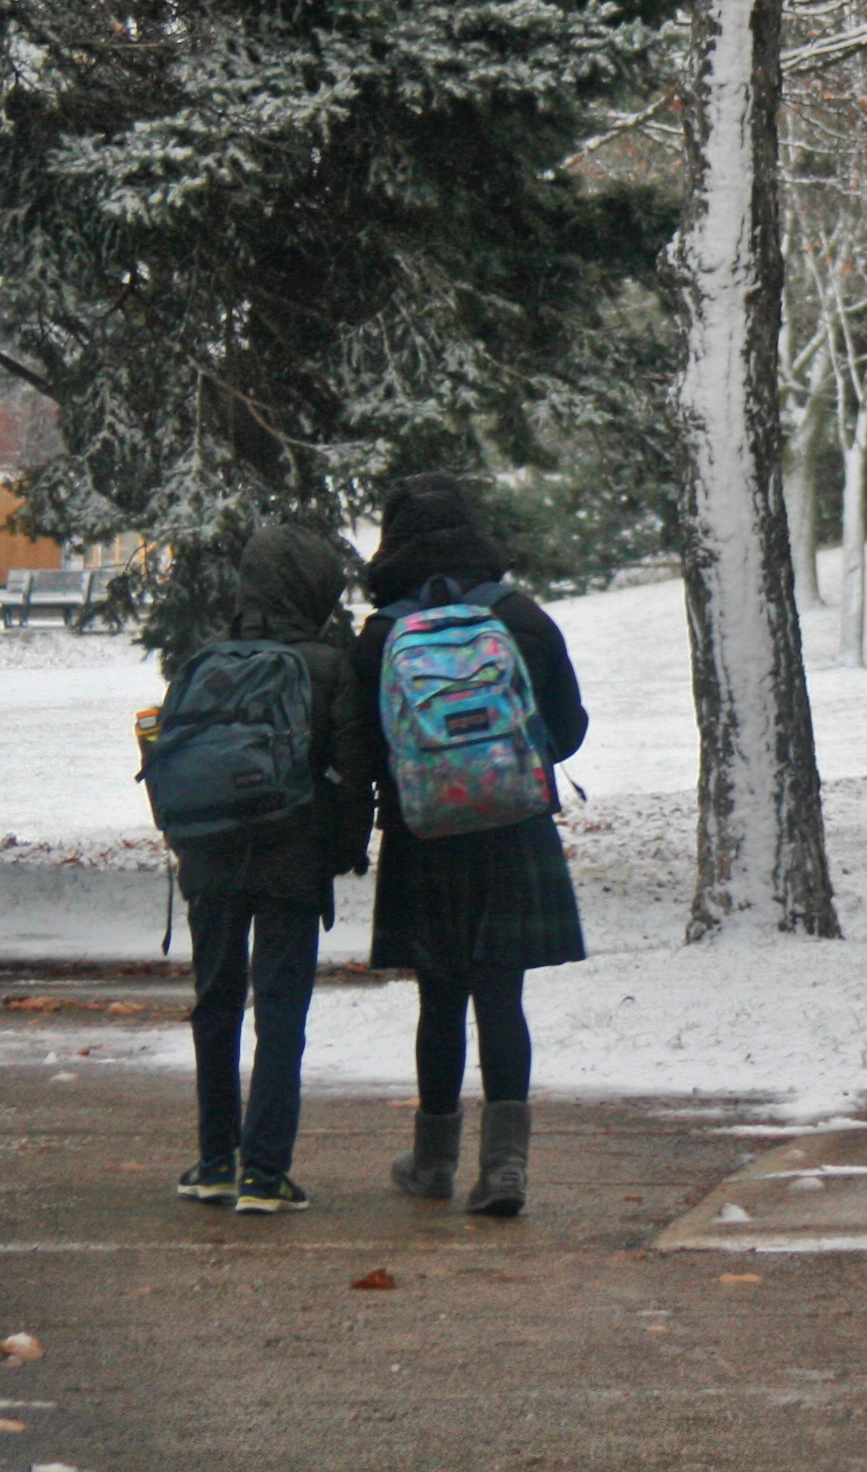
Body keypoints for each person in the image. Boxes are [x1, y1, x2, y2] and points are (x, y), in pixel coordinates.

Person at [358, 472, 587, 1219]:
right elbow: (570, 727)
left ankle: (432, 1162)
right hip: (512, 829)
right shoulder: (520, 617)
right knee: (502, 997)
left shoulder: (382, 634)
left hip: (423, 838)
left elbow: (364, 747)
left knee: (439, 1000)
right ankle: (506, 1168)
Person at [166, 521, 373, 1213]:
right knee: (281, 1013)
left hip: (210, 858)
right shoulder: (328, 664)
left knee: (216, 1006)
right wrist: (344, 852)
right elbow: (351, 773)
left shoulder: (206, 659)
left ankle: (213, 1160)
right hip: (292, 857)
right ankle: (264, 1171)